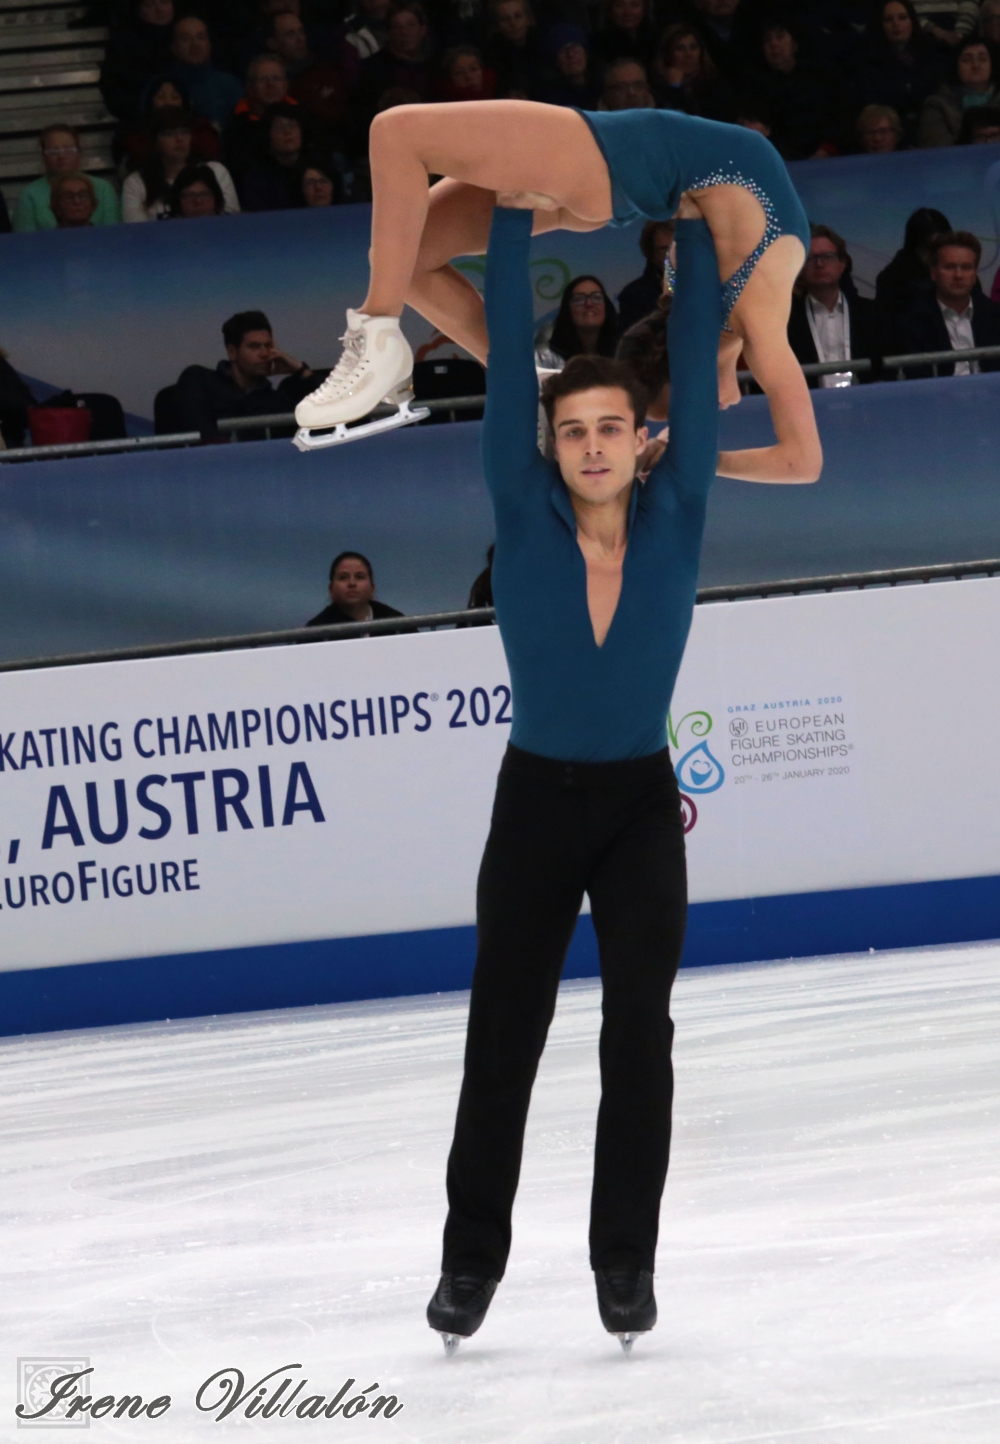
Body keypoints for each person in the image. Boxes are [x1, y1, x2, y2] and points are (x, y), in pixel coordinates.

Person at [424, 203, 819, 1356]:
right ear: (546, 444)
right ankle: (467, 1261)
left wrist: (692, 237)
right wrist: (505, 214)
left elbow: (694, 364)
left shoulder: (681, 507)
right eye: (574, 429)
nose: (594, 444)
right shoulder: (518, 507)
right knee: (505, 1034)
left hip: (642, 805)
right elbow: (502, 341)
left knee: (636, 1036)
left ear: (643, 436)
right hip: (536, 804)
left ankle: (624, 1262)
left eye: (614, 426)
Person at [292, 101, 821, 489]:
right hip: (617, 162)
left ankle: (380, 332)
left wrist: (692, 444)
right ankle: (522, 373)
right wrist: (690, 442)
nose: (715, 408)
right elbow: (802, 463)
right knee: (398, 254)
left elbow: (801, 461)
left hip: (616, 170)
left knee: (395, 135)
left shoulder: (708, 308)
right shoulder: (754, 319)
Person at [172, 309, 320, 435]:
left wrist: (300, 370)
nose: (264, 353)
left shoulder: (277, 400)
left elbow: (333, 413)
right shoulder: (200, 380)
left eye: (268, 345)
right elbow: (201, 436)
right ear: (232, 352)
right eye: (254, 346)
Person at [788, 226, 883, 387]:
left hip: (865, 404)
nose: (819, 264)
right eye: (811, 257)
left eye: (827, 256)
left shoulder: (872, 313)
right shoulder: (787, 321)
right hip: (812, 406)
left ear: (842, 264)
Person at [896, 230, 1000, 375]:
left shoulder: (994, 315)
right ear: (933, 272)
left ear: (975, 274)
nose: (958, 275)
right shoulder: (911, 321)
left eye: (966, 267)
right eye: (949, 267)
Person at [745, 19, 848, 160]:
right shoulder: (755, 88)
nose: (774, 44)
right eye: (767, 40)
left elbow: (837, 119)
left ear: (794, 43)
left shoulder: (821, 78)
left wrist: (826, 150)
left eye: (780, 37)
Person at [123, 108, 239, 219]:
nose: (179, 139)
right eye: (169, 134)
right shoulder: (136, 182)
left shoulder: (216, 171)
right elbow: (136, 232)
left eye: (184, 132)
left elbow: (231, 219)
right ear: (155, 141)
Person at [858, 0, 944, 146]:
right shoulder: (867, 61)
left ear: (912, 21)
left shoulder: (931, 53)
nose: (895, 24)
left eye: (902, 17)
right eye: (888, 19)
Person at [13, 126, 120, 231]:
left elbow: (113, 234)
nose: (61, 156)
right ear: (44, 156)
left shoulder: (104, 189)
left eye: (68, 149)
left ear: (80, 152)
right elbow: (24, 242)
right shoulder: (29, 195)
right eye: (53, 151)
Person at [267, 10, 350, 136]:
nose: (299, 38)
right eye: (290, 34)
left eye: (301, 31)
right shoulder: (266, 78)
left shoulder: (324, 72)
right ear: (272, 43)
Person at [115, 74, 221, 170]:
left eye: (175, 97)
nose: (168, 102)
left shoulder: (199, 127)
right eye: (161, 97)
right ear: (150, 102)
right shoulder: (136, 131)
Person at [100, 0, 176, 120]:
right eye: (149, 5)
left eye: (164, 2)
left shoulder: (189, 34)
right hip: (141, 124)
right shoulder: (124, 44)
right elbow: (114, 91)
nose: (159, 10)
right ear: (138, 10)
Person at [224, 55, 297, 179]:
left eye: (276, 78)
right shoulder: (236, 127)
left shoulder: (303, 119)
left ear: (286, 85)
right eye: (263, 79)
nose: (271, 84)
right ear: (250, 87)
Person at [918, 37, 999, 144]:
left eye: (982, 59)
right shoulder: (936, 105)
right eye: (967, 60)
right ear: (955, 65)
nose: (976, 65)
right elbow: (938, 151)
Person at [875, 205, 951, 319]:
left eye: (943, 247)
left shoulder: (962, 273)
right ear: (914, 247)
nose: (937, 255)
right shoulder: (893, 283)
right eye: (929, 248)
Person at [239, 103, 321, 209]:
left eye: (292, 125)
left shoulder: (319, 167)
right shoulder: (257, 177)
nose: (287, 132)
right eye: (280, 127)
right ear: (268, 134)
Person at [360, 1, 436, 113]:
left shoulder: (436, 66)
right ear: (388, 32)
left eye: (411, 25)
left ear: (422, 29)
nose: (404, 32)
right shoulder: (373, 69)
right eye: (397, 27)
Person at [649, 23, 735, 120]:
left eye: (693, 47)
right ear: (667, 55)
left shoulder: (717, 86)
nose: (688, 54)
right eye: (680, 48)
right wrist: (674, 88)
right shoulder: (656, 89)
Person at [169, 15, 243, 124]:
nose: (195, 45)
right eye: (185, 39)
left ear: (209, 44)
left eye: (201, 37)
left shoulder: (230, 85)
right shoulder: (165, 85)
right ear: (174, 47)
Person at [537, 275, 619, 370]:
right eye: (579, 299)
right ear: (568, 309)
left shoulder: (623, 353)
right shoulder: (547, 356)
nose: (589, 304)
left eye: (596, 297)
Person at [306, 551, 403, 625]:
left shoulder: (396, 623)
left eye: (359, 577)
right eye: (343, 577)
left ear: (372, 588)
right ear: (331, 589)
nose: (352, 583)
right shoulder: (316, 631)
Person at [616, 220, 674, 332]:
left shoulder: (706, 287)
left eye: (676, 247)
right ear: (651, 255)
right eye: (664, 249)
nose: (672, 254)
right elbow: (634, 345)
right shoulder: (634, 295)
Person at [483, 0, 544, 97]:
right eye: (505, 19)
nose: (513, 23)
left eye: (518, 16)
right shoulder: (490, 56)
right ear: (496, 25)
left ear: (528, 19)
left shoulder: (544, 47)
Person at [533, 23, 601, 108]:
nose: (570, 54)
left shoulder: (604, 86)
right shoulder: (550, 101)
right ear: (555, 61)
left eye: (575, 47)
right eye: (562, 50)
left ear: (585, 53)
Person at [591, 0, 656, 70]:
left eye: (635, 5)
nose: (627, 12)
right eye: (619, 5)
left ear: (645, 8)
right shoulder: (598, 43)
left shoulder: (656, 39)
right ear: (610, 9)